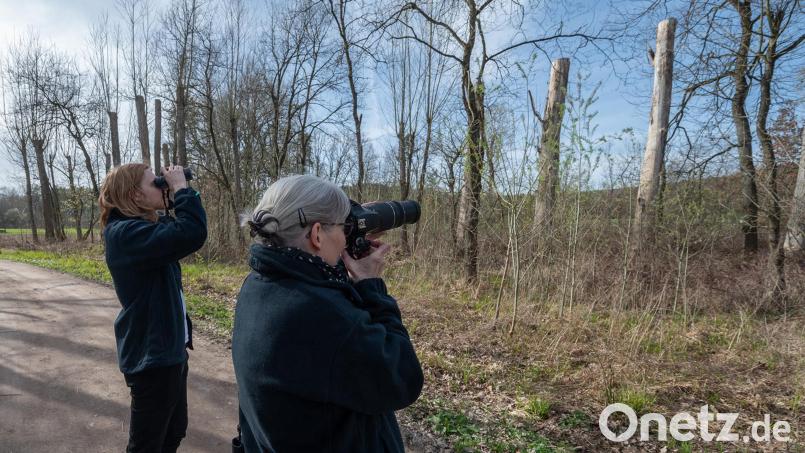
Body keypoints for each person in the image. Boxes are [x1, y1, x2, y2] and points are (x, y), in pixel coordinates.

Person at [232, 174, 423, 453]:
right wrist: (371, 286)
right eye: (343, 228)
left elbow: (319, 293)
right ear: (317, 234)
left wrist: (346, 243)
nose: (346, 238)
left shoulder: (258, 285)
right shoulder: (319, 314)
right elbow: (403, 378)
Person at [99, 163, 207, 453]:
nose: (163, 186)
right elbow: (191, 232)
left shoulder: (143, 229)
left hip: (169, 349)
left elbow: (178, 232)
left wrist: (171, 196)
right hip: (152, 356)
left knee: (173, 432)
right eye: (155, 184)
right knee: (146, 445)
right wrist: (181, 189)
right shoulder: (124, 234)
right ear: (135, 195)